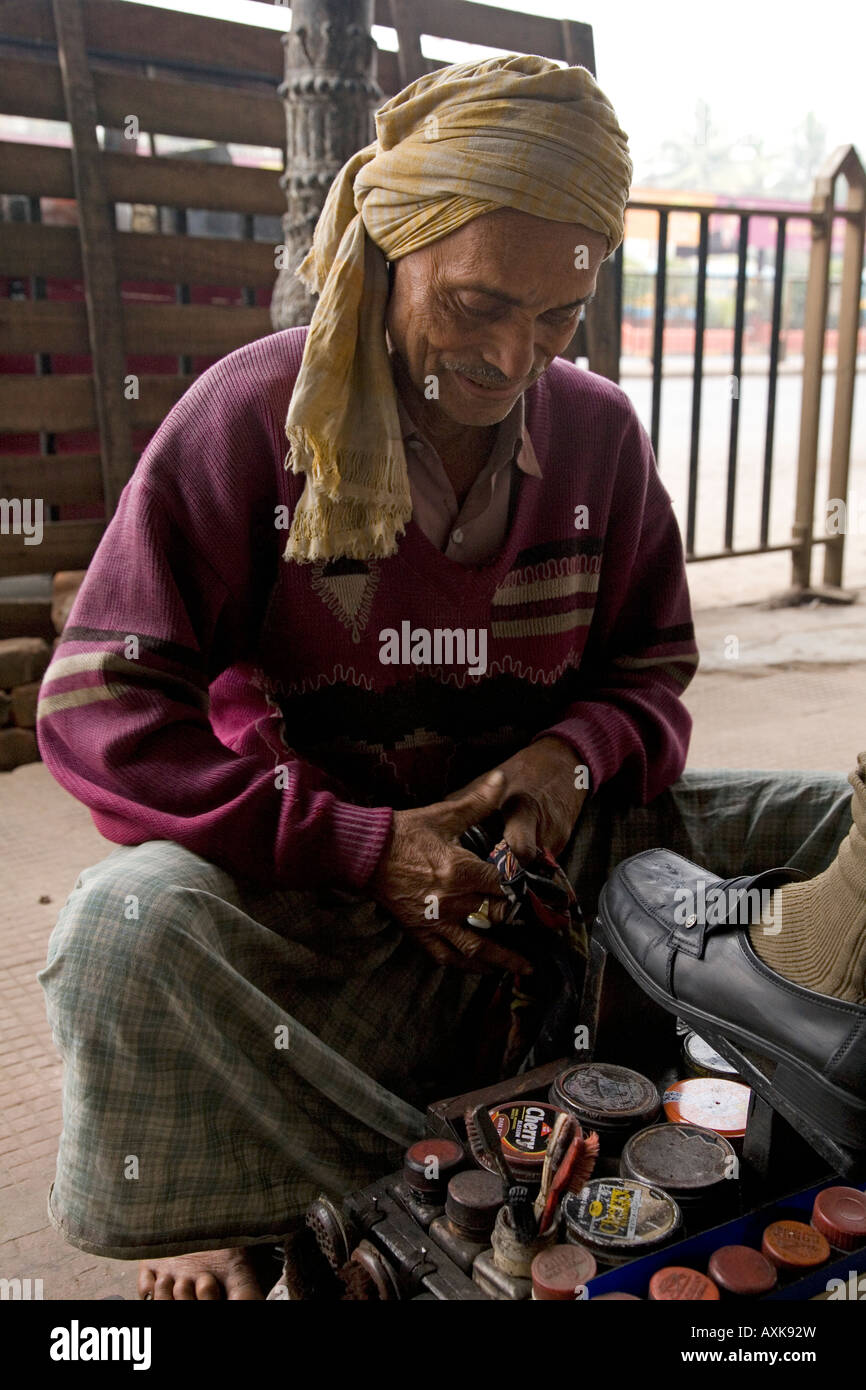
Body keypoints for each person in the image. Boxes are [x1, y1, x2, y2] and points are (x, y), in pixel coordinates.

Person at [34, 55, 854, 1301]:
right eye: (475, 304)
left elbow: (651, 674)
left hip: (542, 877)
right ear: (386, 251)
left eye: (555, 318)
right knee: (125, 928)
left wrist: (562, 762)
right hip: (329, 897)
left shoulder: (598, 437)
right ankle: (272, 1197)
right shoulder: (252, 416)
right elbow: (98, 706)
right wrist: (363, 845)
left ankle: (364, 1184)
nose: (512, 355)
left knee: (839, 826)